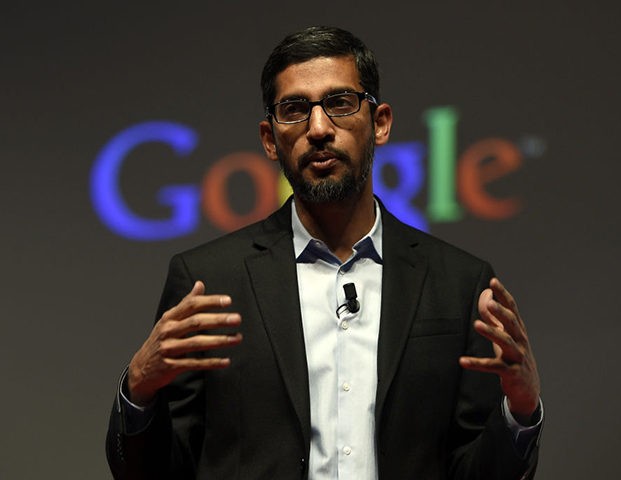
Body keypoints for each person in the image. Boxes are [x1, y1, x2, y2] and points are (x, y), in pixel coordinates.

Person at [106, 26, 542, 480]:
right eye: (294, 109)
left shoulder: (458, 283)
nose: (318, 129)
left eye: (339, 103)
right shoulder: (209, 280)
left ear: (381, 123)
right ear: (270, 140)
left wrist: (521, 412)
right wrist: (139, 390)